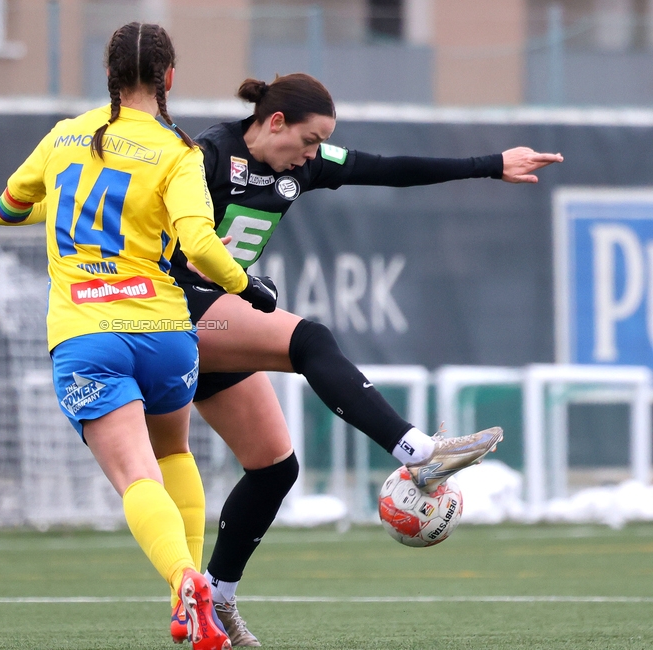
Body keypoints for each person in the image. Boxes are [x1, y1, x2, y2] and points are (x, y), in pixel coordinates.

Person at [168, 73, 563, 646]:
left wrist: (490, 163)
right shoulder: (205, 157)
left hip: (218, 321)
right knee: (310, 340)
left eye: (319, 145)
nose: (312, 155)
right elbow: (143, 220)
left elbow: (390, 168)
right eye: (308, 141)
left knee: (275, 466)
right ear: (274, 122)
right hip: (171, 312)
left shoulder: (302, 164)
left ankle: (219, 599)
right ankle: (417, 451)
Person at [0, 22, 278, 650]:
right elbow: (200, 244)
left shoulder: (65, 135)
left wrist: (54, 206)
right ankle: (193, 598)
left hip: (88, 334)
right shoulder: (178, 151)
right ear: (170, 78)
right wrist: (249, 287)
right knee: (174, 456)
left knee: (136, 478)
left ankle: (183, 581)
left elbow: (8, 206)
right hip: (164, 333)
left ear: (109, 76)